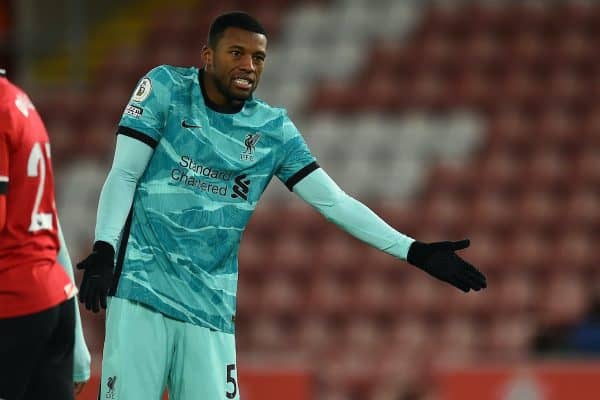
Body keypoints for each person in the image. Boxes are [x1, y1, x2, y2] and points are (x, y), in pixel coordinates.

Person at [77, 12, 487, 400]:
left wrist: (413, 250)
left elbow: (334, 201)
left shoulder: (271, 130)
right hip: (140, 291)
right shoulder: (164, 88)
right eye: (236, 53)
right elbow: (124, 174)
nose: (248, 66)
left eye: (258, 57)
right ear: (207, 56)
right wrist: (104, 250)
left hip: (210, 310)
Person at [0, 69, 90, 399]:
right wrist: (78, 339)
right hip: (54, 298)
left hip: (12, 303)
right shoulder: (20, 103)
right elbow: (51, 225)